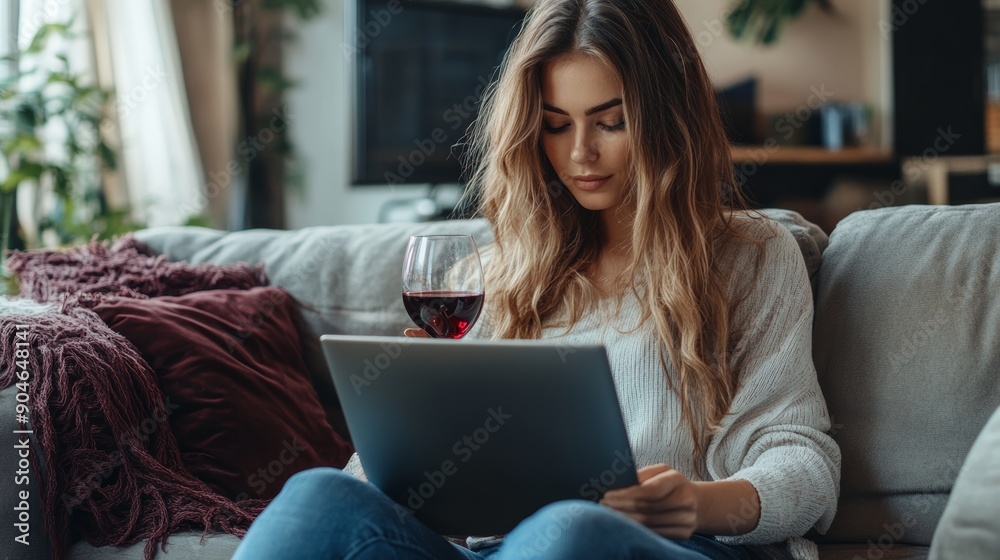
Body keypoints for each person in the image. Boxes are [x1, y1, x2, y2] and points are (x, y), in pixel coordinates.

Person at [231, 0, 840, 558]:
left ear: (665, 120)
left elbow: (803, 462)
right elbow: (384, 487)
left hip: (668, 547)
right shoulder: (494, 274)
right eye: (555, 124)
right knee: (318, 497)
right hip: (496, 550)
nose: (580, 154)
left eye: (610, 122)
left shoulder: (752, 258)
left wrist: (699, 503)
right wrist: (409, 429)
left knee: (570, 526)